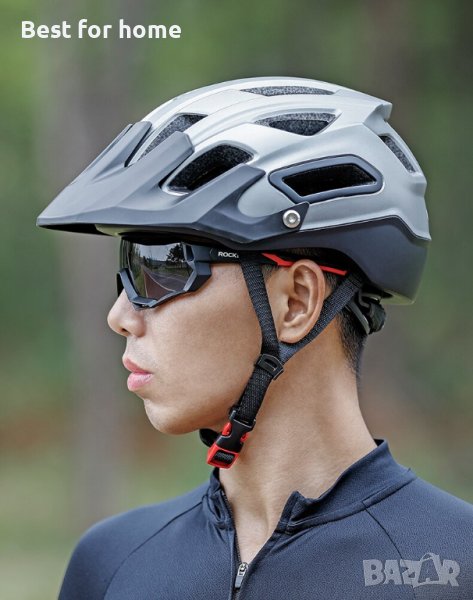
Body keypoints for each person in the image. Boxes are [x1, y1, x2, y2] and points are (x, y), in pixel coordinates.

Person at [37, 76, 473, 599]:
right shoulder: (109, 564)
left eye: (163, 265)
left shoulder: (457, 567)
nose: (120, 315)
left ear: (296, 301)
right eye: (128, 265)